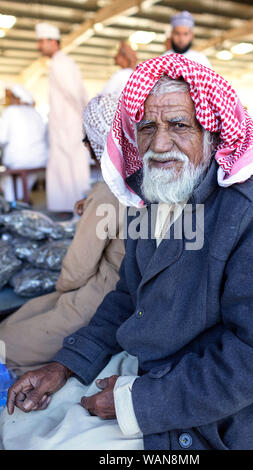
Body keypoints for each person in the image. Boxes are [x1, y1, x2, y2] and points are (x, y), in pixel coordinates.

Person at [1, 55, 253, 451]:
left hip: (212, 412)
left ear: (212, 134)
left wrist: (133, 402)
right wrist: (65, 364)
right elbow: (126, 298)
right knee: (22, 424)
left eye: (179, 125)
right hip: (148, 368)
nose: (159, 144)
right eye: (147, 127)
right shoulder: (155, 197)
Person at [0, 93, 125, 378]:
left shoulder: (109, 190)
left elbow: (76, 271)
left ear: (97, 141)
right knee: (23, 316)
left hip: (98, 305)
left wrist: (62, 291)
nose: (84, 145)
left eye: (87, 138)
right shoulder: (128, 182)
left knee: (6, 344)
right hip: (105, 295)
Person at [35, 22, 90, 212]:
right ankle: (70, 210)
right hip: (64, 126)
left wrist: (85, 117)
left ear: (53, 41)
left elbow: (73, 93)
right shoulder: (58, 62)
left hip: (70, 126)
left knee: (73, 169)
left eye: (41, 41)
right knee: (65, 169)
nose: (38, 46)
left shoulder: (61, 62)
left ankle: (79, 210)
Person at [0, 84, 48, 201]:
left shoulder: (10, 111)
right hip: (40, 159)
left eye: (9, 97)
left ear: (17, 98)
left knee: (6, 181)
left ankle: (14, 205)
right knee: (23, 180)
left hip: (19, 160)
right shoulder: (35, 113)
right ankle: (21, 199)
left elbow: (2, 138)